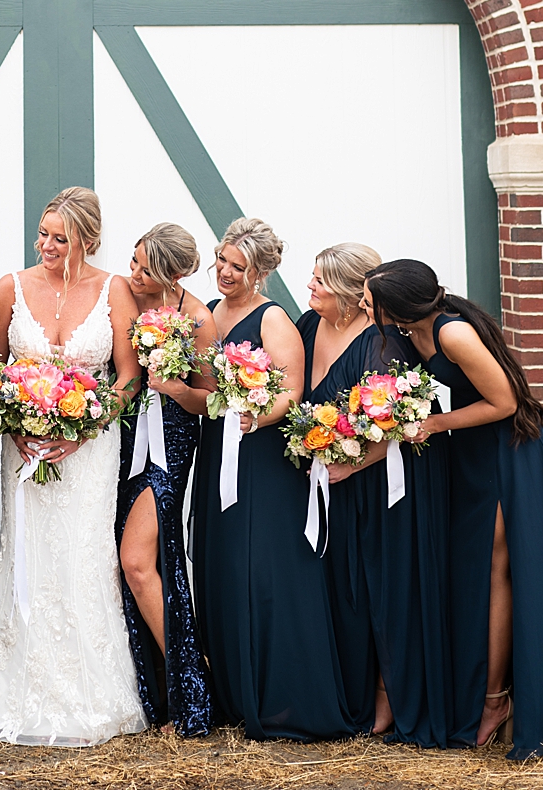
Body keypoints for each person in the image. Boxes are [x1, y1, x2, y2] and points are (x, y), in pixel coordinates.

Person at [0, 186, 148, 745]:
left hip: (90, 450)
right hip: (22, 449)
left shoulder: (114, 290)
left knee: (83, 555)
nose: (46, 246)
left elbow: (129, 377)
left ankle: (94, 694)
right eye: (42, 234)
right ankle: (13, 688)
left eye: (60, 238)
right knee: (25, 552)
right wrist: (14, 426)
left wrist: (84, 429)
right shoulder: (10, 287)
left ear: (87, 240)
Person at [367, 258, 543, 758]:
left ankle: (497, 700)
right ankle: (473, 691)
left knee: (497, 570)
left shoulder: (452, 333)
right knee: (471, 572)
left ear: (398, 308)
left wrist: (433, 425)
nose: (365, 306)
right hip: (469, 455)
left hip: (508, 452)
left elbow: (507, 403)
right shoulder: (408, 332)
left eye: (371, 301)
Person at [192, 223, 354, 739]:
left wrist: (255, 419)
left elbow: (291, 391)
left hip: (260, 457)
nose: (224, 272)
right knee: (223, 564)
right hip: (218, 450)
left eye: (237, 267)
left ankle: (283, 697)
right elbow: (206, 389)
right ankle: (235, 693)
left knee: (263, 569)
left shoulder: (273, 319)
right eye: (221, 260)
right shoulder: (209, 313)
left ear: (259, 272)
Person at [115, 221, 216, 738]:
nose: (135, 274)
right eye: (134, 261)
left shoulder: (197, 318)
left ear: (174, 275)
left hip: (169, 445)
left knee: (137, 562)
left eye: (146, 269)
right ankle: (155, 691)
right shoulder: (124, 297)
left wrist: (175, 387)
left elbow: (209, 400)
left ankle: (193, 686)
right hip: (121, 438)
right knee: (139, 563)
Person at [287, 242, 392, 734]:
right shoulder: (309, 325)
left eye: (320, 281)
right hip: (313, 483)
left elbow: (395, 424)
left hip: (362, 485)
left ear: (351, 293)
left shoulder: (377, 344)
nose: (310, 286)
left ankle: (377, 696)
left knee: (362, 588)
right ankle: (329, 689)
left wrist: (353, 465)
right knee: (321, 587)